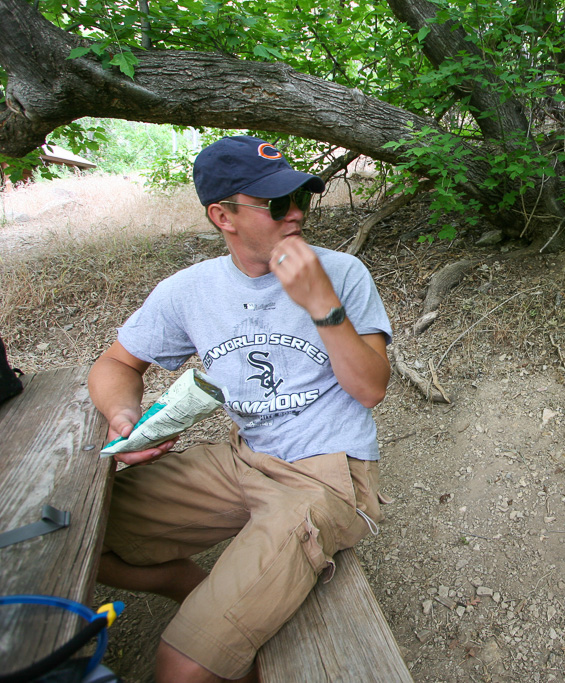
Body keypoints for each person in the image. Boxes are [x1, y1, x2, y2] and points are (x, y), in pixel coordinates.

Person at [87, 135, 392, 683]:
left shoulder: (341, 273)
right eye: (276, 204)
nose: (296, 213)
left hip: (326, 474)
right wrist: (122, 419)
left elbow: (371, 389)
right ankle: (187, 587)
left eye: (300, 197)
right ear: (222, 216)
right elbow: (115, 365)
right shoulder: (190, 291)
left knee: (178, 666)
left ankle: (220, 628)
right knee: (87, 532)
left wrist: (321, 303)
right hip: (242, 458)